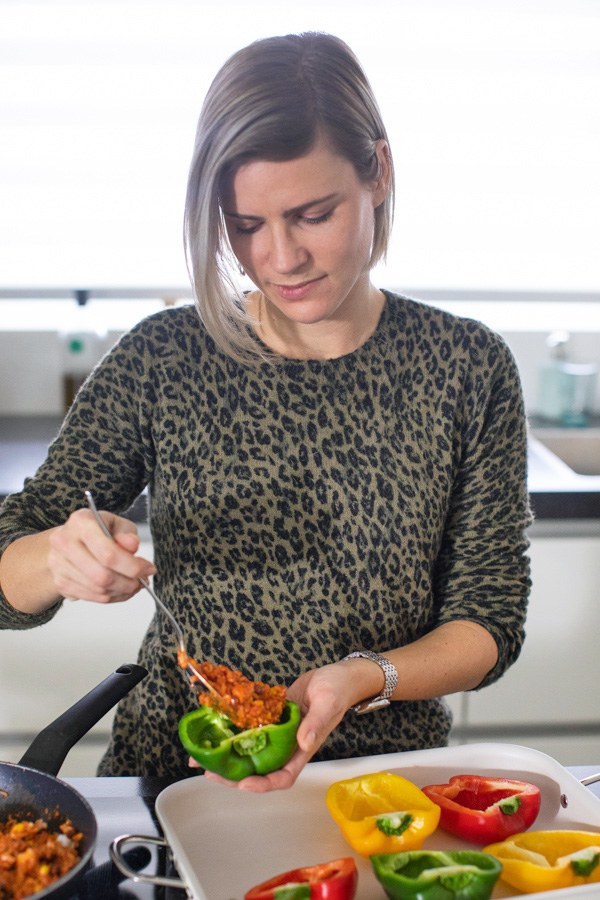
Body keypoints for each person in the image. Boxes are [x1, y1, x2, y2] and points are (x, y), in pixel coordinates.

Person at [0, 32, 532, 792]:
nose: (280, 258)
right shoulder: (165, 357)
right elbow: (5, 567)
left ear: (379, 172)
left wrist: (363, 676)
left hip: (385, 784)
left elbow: (489, 619)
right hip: (176, 778)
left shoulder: (466, 366)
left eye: (313, 215)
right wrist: (58, 559)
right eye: (245, 225)